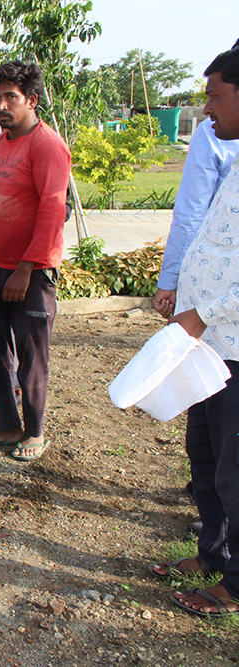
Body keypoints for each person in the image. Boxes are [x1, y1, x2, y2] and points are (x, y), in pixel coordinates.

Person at [150, 47, 239, 619]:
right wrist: (186, 298)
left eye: (213, 95)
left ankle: (234, 582)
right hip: (209, 342)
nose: (205, 110)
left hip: (230, 343)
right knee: (204, 452)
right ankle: (213, 553)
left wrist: (203, 314)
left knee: (235, 466)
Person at [0, 61, 71, 462]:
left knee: (31, 355)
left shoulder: (47, 145)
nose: (2, 105)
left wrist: (27, 268)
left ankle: (35, 432)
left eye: (11, 97)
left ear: (32, 100)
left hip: (32, 273)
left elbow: (53, 212)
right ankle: (7, 425)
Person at [152, 117, 239, 318]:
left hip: (215, 282)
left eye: (214, 96)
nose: (208, 108)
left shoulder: (213, 132)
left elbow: (191, 215)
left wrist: (169, 282)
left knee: (197, 344)